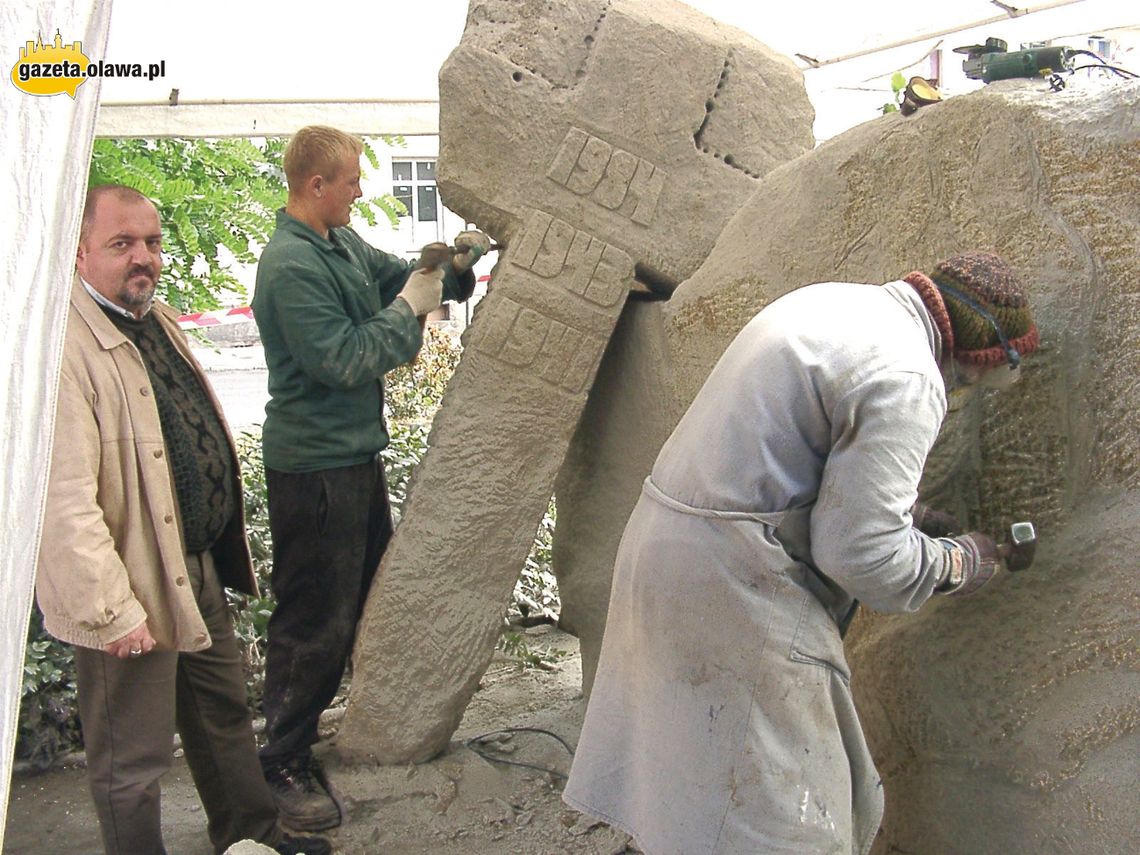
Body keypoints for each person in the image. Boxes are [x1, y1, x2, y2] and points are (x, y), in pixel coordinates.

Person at [562, 252, 1041, 855]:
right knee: (789, 821)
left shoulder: (838, 302)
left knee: (688, 791)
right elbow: (862, 558)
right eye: (970, 385)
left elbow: (784, 461)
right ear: (971, 359)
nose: (960, 394)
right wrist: (958, 562)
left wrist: (905, 518)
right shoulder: (911, 375)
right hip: (733, 582)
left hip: (670, 548)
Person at [36, 184, 330, 855]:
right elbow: (63, 499)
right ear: (78, 252)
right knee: (132, 760)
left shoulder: (151, 316)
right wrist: (110, 608)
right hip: (127, 580)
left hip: (189, 562)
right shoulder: (66, 349)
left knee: (221, 713)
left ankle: (250, 835)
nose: (144, 257)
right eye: (122, 243)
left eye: (152, 242)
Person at [251, 125, 489, 830]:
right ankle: (282, 760)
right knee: (314, 619)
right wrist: (413, 305)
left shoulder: (339, 242)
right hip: (313, 467)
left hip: (351, 455)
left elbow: (399, 273)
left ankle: (315, 733)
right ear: (315, 186)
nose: (361, 190)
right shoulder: (290, 265)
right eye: (351, 180)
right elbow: (346, 359)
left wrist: (452, 264)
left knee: (357, 602)